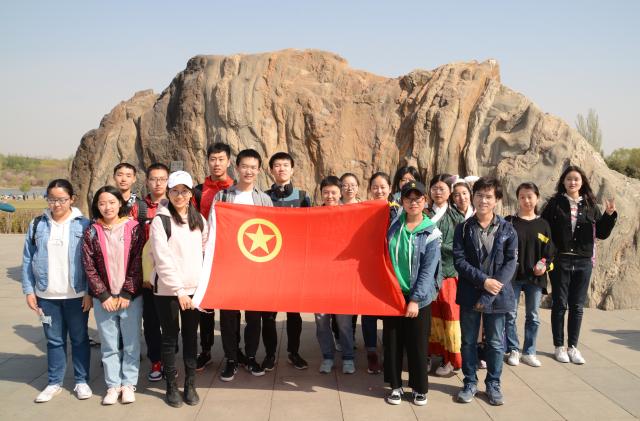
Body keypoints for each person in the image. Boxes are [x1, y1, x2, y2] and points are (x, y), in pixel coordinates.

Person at [22, 179, 93, 403]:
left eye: (62, 199)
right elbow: (27, 259)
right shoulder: (37, 224)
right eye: (52, 199)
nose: (57, 204)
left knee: (79, 339)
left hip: (76, 294)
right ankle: (54, 382)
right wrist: (29, 290)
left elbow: (91, 261)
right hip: (47, 295)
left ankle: (81, 380)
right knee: (54, 341)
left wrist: (89, 292)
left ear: (72, 199)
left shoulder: (84, 225)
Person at [541, 165, 617, 365]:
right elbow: (544, 231)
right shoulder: (554, 204)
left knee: (577, 306)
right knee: (559, 304)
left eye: (576, 179)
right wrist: (547, 255)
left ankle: (573, 347)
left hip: (583, 261)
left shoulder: (591, 205)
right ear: (563, 182)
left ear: (582, 182)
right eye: (569, 179)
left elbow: (602, 233)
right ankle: (559, 346)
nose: (572, 182)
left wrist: (609, 215)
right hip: (560, 260)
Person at [453, 176, 517, 406]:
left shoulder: (508, 229)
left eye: (489, 196)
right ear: (474, 197)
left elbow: (511, 262)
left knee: (496, 343)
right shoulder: (463, 228)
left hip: (498, 295)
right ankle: (470, 382)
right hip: (470, 292)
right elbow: (459, 260)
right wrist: (484, 281)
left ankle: (493, 384)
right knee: (468, 341)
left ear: (497, 199)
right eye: (479, 195)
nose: (483, 200)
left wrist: (492, 287)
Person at [214, 148, 273, 382]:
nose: (249, 171)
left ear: (259, 170)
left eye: (253, 167)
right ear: (237, 167)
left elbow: (272, 232)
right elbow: (215, 229)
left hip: (255, 268)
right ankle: (231, 358)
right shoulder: (223, 197)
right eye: (245, 166)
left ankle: (250, 356)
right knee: (228, 316)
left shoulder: (264, 199)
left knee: (254, 316)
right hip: (229, 266)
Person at [83, 185, 145, 405]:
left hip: (130, 298)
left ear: (120, 203)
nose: (107, 207)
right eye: (102, 203)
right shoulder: (91, 231)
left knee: (131, 343)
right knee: (109, 344)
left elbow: (138, 261)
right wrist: (103, 295)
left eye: (111, 202)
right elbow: (89, 266)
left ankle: (128, 384)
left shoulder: (134, 228)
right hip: (105, 299)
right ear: (96, 206)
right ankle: (112, 385)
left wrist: (127, 292)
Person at [151, 171, 208, 407]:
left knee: (191, 337)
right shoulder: (160, 220)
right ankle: (171, 386)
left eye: (184, 191)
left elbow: (205, 251)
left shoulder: (199, 219)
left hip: (194, 290)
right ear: (168, 192)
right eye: (175, 191)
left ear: (191, 194)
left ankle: (190, 384)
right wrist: (179, 291)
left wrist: (200, 287)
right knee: (169, 337)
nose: (179, 195)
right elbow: (162, 259)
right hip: (168, 292)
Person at [384, 181, 442, 406]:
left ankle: (419, 388)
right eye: (408, 198)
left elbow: (428, 271)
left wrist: (415, 300)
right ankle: (395, 386)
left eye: (418, 198)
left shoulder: (431, 232)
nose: (413, 202)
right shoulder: (393, 225)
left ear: (425, 201)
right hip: (393, 294)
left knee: (417, 344)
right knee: (393, 342)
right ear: (402, 201)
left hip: (419, 297)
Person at [262, 152, 311, 371]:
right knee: (268, 314)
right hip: (269, 265)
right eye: (277, 165)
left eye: (285, 165)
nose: (281, 169)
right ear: (271, 170)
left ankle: (294, 352)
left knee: (294, 313)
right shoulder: (263, 197)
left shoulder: (303, 197)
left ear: (292, 169)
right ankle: (270, 354)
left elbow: (310, 229)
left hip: (293, 265)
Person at [192, 143, 234, 372]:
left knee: (229, 309)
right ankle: (206, 350)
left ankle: (232, 353)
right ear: (207, 161)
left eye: (221, 159)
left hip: (229, 257)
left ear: (229, 161)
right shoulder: (198, 191)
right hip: (204, 256)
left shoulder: (236, 189)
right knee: (205, 307)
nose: (217, 164)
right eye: (213, 159)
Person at [504, 182, 555, 367]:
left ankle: (529, 351)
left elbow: (550, 251)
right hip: (512, 277)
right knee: (510, 314)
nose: (526, 200)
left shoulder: (543, 224)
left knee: (533, 316)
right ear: (517, 199)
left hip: (535, 277)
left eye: (530, 197)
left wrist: (544, 264)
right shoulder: (509, 222)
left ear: (537, 198)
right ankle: (513, 349)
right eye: (522, 197)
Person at [129, 163, 170, 382]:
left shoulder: (175, 204)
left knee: (170, 321)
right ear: (147, 181)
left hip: (170, 273)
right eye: (154, 179)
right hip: (147, 276)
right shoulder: (139, 208)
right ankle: (156, 360)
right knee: (151, 321)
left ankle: (169, 357)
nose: (158, 183)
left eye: (162, 179)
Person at [338, 172, 381, 373]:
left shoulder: (366, 208)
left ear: (358, 187)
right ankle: (346, 347)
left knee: (364, 308)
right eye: (345, 185)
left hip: (362, 266)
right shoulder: (332, 208)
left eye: (353, 184)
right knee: (342, 312)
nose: (349, 188)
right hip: (339, 267)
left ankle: (369, 349)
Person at [315, 176, 356, 375]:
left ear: (340, 193)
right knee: (321, 320)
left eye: (333, 192)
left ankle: (348, 357)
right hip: (319, 278)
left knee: (344, 322)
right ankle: (327, 356)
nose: (330, 196)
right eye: (326, 192)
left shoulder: (349, 214)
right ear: (321, 194)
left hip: (342, 277)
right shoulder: (313, 215)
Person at [425, 174, 464, 377]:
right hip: (427, 274)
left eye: (442, 188)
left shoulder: (457, 217)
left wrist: (438, 246)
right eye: (434, 188)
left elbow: (461, 247)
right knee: (429, 317)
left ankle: (450, 359)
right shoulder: (423, 212)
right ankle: (428, 354)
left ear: (450, 192)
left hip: (449, 273)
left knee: (450, 317)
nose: (438, 192)